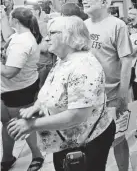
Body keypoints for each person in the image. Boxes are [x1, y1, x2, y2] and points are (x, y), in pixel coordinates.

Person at [8, 16, 116, 171]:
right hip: (66, 140)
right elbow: (50, 89)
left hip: (87, 141)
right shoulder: (64, 59)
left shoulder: (84, 66)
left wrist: (32, 125)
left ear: (70, 35)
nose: (46, 37)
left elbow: (77, 115)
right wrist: (38, 106)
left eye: (52, 33)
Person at [82, 0, 133, 171]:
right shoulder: (83, 25)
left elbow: (127, 61)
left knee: (118, 138)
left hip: (111, 94)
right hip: (88, 95)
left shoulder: (117, 25)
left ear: (104, 3)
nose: (85, 0)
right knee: (91, 140)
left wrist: (122, 95)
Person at [1, 7, 44, 171]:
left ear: (16, 21)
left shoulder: (23, 41)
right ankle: (7, 157)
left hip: (19, 89)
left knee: (24, 123)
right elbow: (7, 37)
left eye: (10, 17)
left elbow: (10, 72)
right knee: (6, 122)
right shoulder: (17, 35)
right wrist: (3, 16)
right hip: (7, 88)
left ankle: (37, 155)